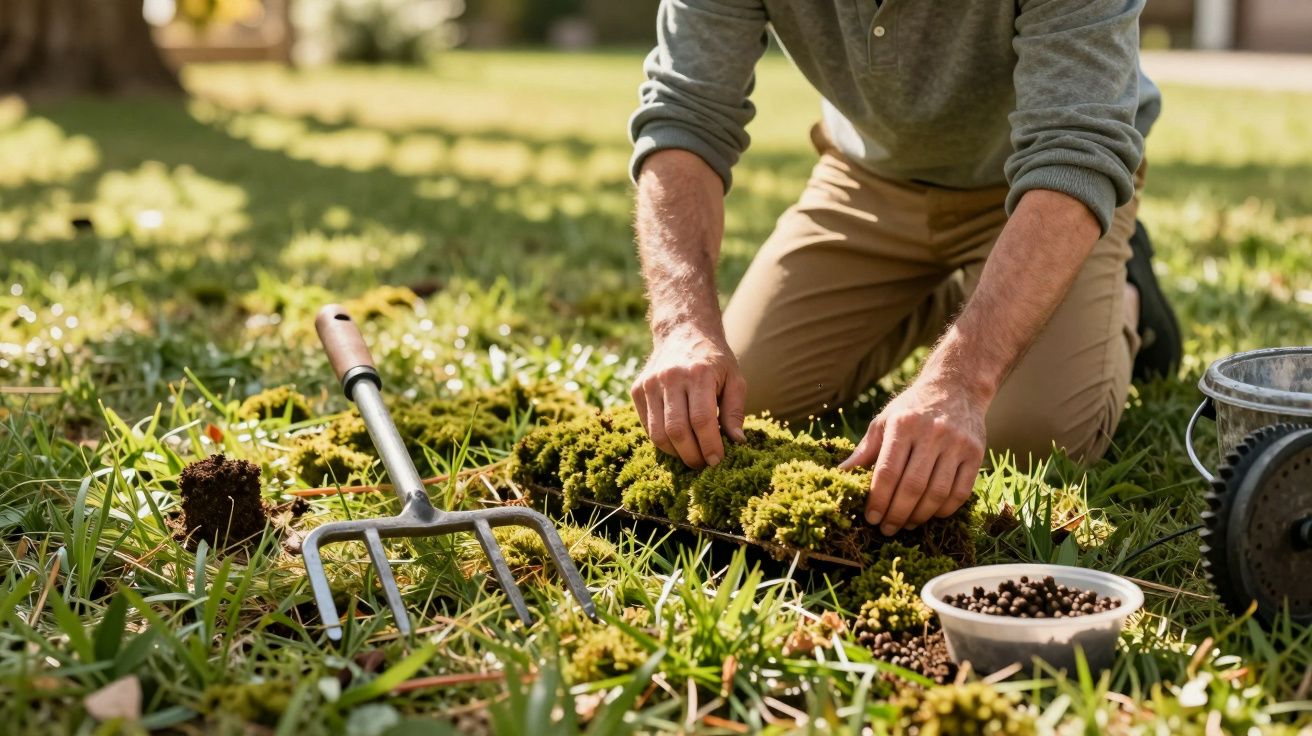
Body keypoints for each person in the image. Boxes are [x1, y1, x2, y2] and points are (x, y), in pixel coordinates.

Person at [626, 0, 1182, 537]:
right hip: (869, 180)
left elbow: (1077, 150)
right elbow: (685, 114)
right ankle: (959, 296)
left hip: (1044, 190)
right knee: (740, 403)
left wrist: (961, 380)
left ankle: (1122, 292)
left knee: (1029, 437)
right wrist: (682, 326)